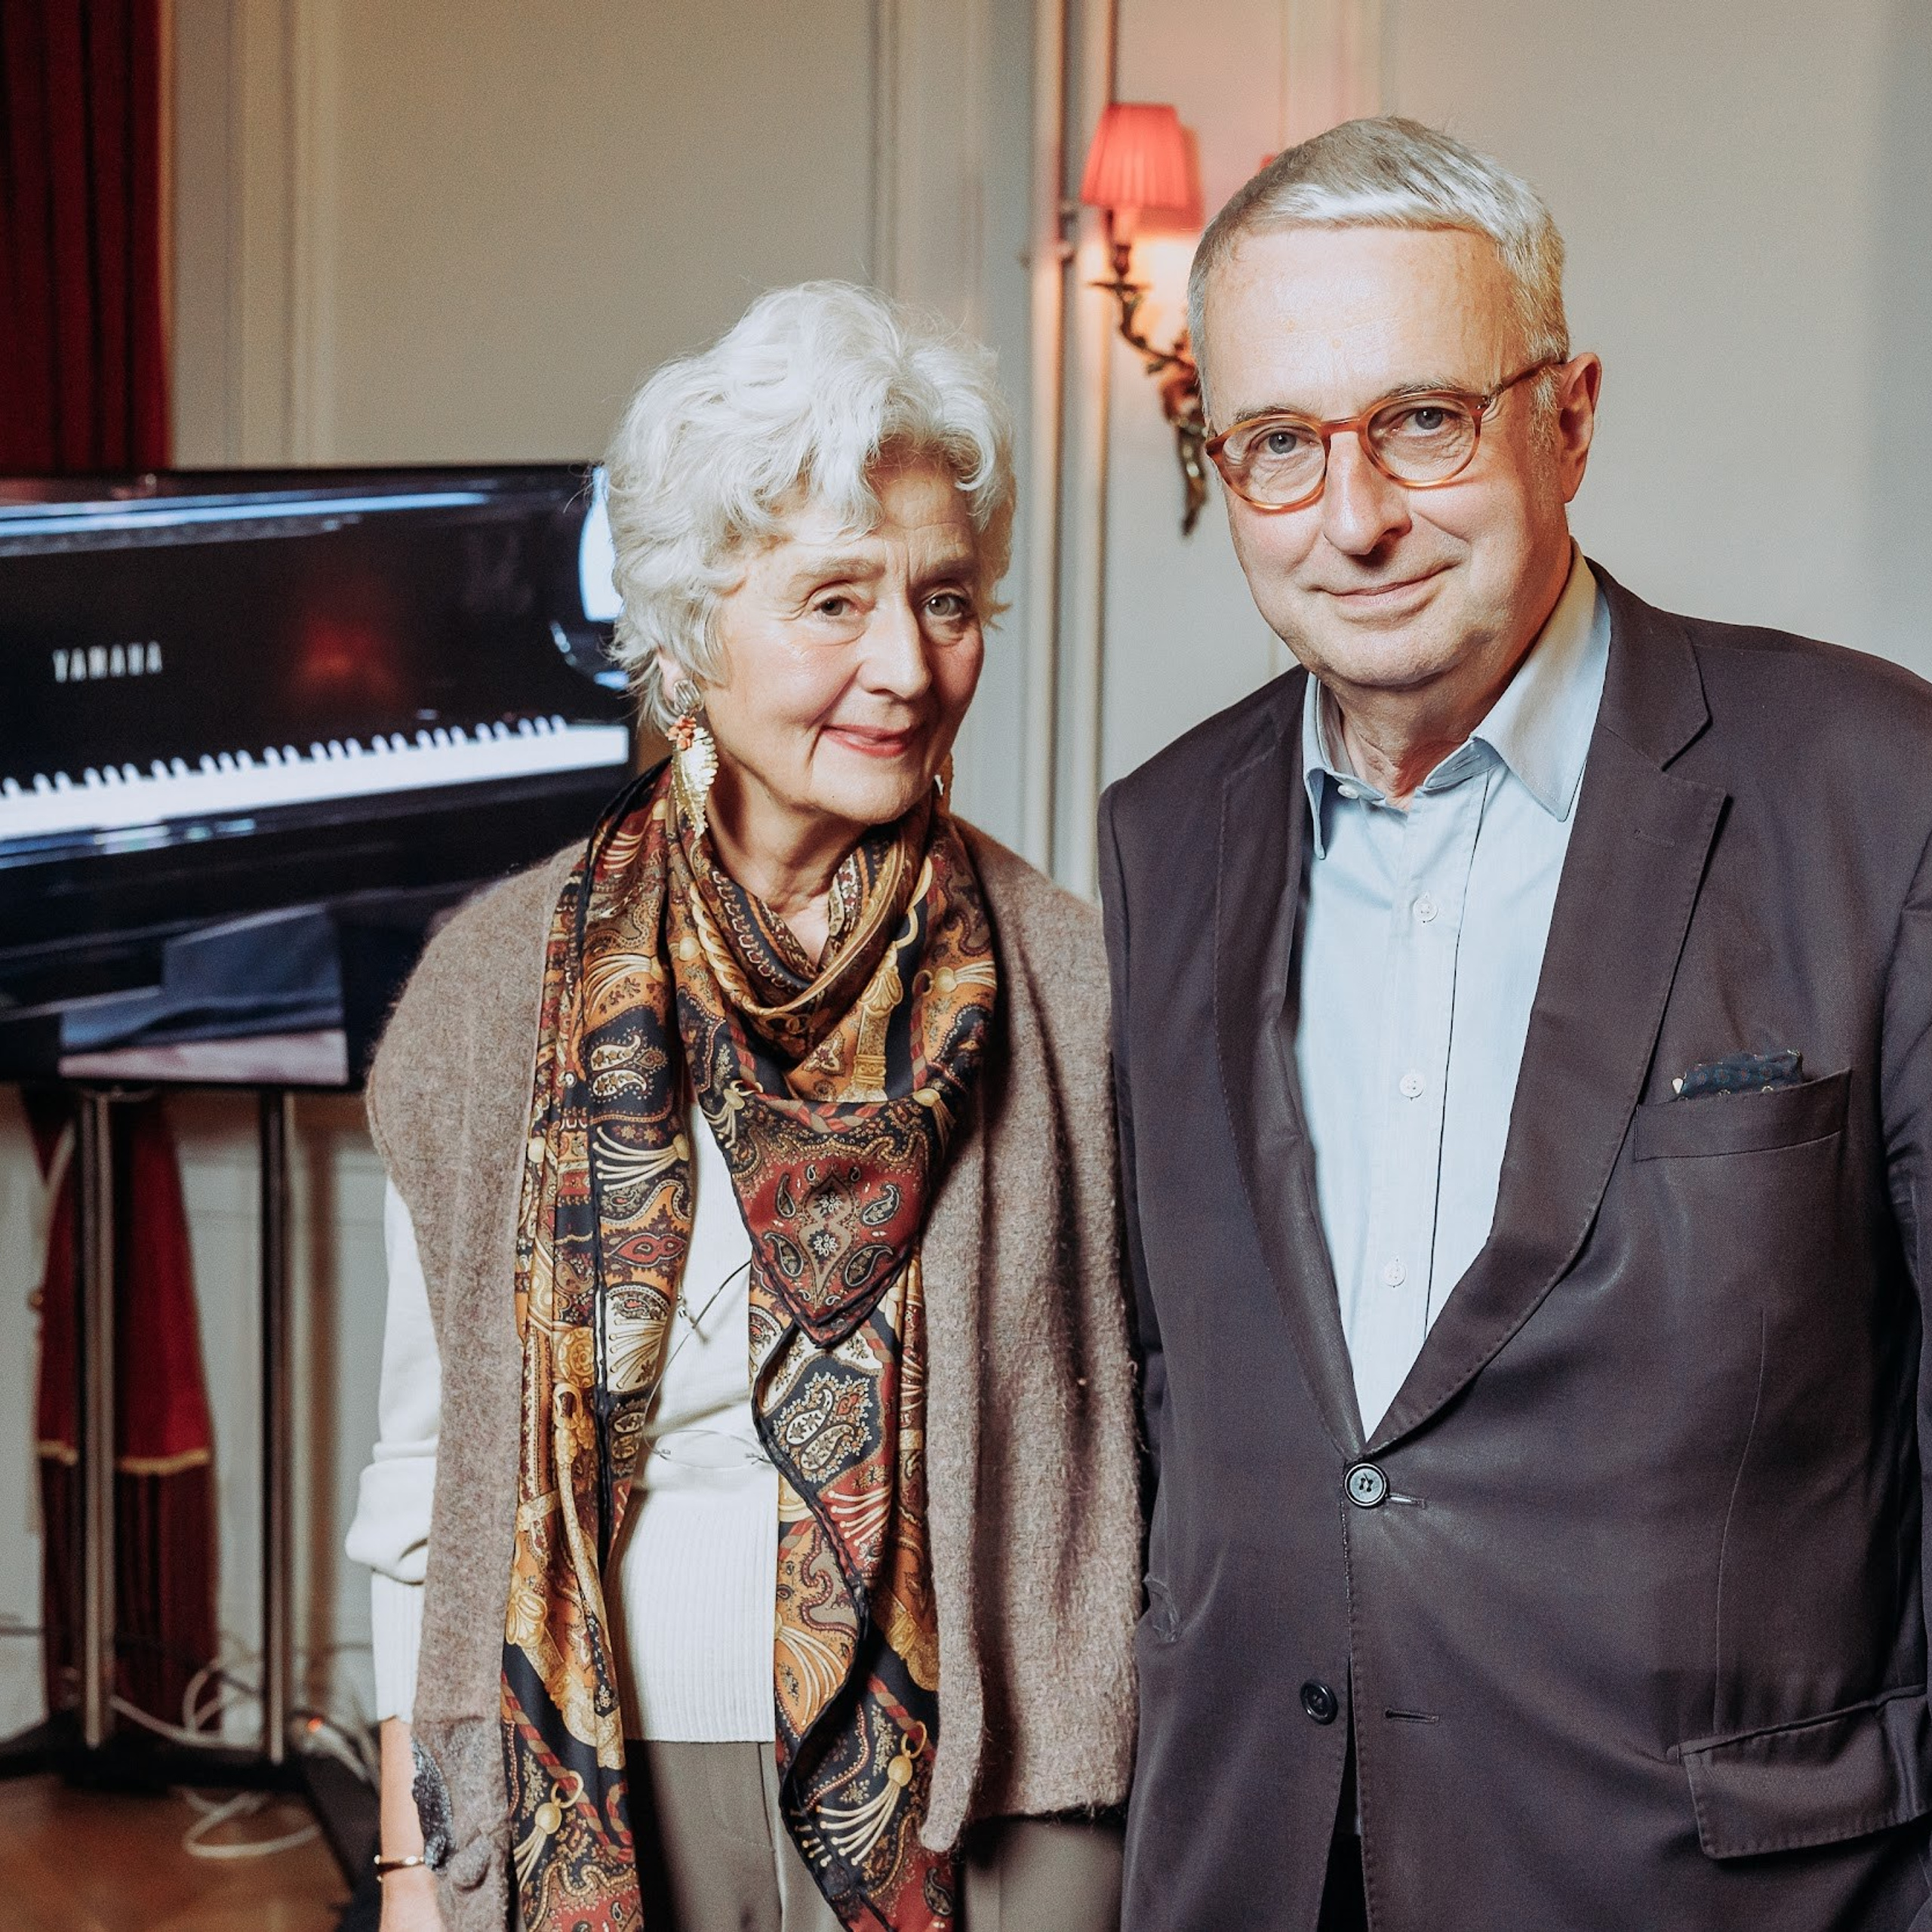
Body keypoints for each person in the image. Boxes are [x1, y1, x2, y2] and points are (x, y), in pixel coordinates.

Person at [1100, 114, 1932, 1930]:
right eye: (1275, 444)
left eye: (1421, 420)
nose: (1353, 518)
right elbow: (1178, 1399)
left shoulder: (1872, 785)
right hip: (1259, 1873)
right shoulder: (1160, 838)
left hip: (1720, 1888)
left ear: (1567, 417)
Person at [346, 281, 1141, 1932]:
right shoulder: (491, 991)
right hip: (588, 1787)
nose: (904, 665)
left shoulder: (1072, 981)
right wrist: (416, 1861)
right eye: (833, 598)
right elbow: (425, 1481)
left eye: (944, 598)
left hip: (988, 1796)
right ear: (688, 630)